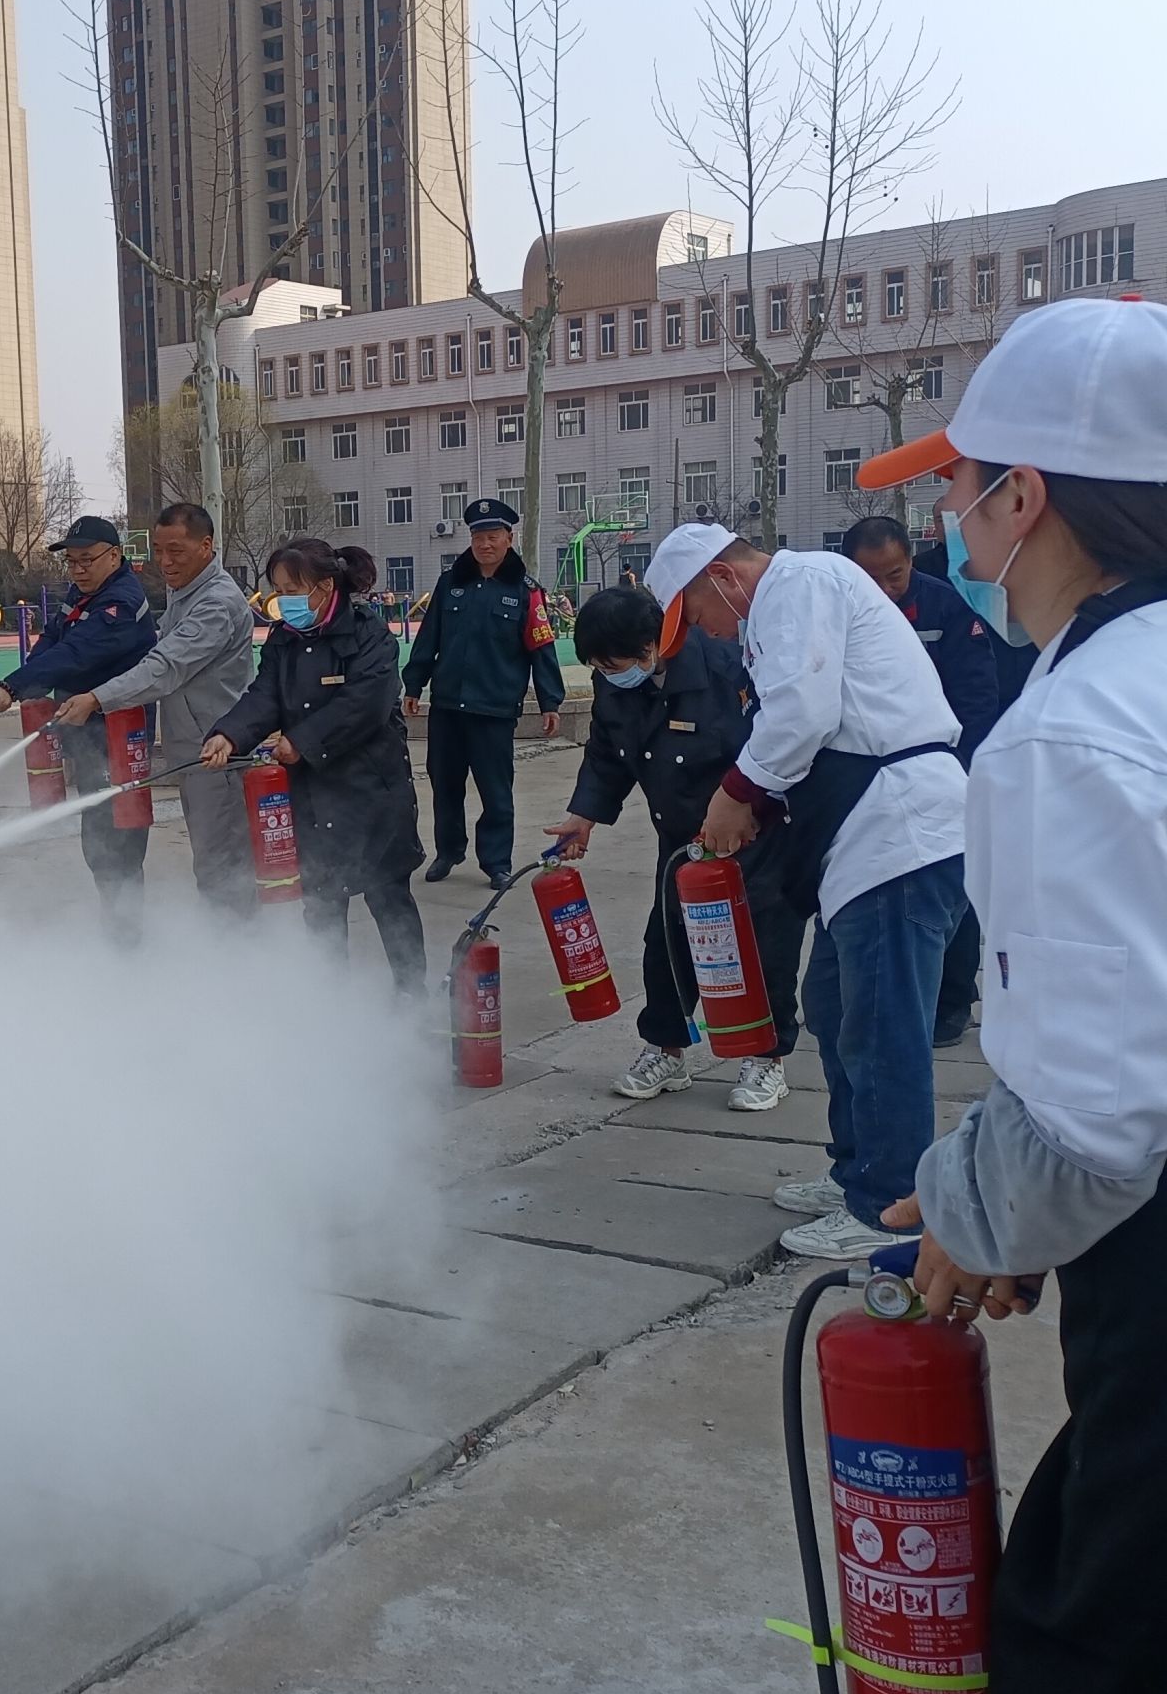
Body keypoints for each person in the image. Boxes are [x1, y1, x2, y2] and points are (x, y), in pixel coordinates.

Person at [856, 297, 1167, 1694]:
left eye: (960, 484)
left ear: (1025, 495)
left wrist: (969, 1213)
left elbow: (1103, 1123)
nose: (951, 520)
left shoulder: (1078, 729)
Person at [652, 519, 967, 1260]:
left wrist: (736, 794)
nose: (708, 634)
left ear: (721, 579)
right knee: (832, 1005)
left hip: (899, 833)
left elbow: (803, 713)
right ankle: (857, 1169)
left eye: (698, 616)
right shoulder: (778, 607)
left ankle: (888, 1204)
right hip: (861, 843)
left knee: (881, 1024)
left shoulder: (800, 582)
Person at [551, 584, 801, 1113]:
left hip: (752, 834)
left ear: (650, 647)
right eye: (598, 667)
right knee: (666, 944)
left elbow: (778, 743)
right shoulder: (615, 681)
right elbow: (606, 752)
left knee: (761, 947)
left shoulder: (726, 670)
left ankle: (767, 1057)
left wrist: (748, 807)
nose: (606, 674)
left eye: (612, 664)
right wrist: (584, 814)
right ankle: (666, 1050)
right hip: (680, 840)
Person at [200, 539, 425, 991]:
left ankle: (412, 996)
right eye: (278, 591)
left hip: (372, 790)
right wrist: (230, 733)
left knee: (388, 896)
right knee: (321, 901)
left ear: (325, 587)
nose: (284, 601)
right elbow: (265, 694)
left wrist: (302, 741)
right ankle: (330, 997)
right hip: (312, 794)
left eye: (293, 590)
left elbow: (365, 704)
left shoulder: (368, 634)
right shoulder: (285, 638)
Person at [54, 501, 255, 915]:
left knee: (222, 867)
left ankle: (241, 945)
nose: (165, 562)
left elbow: (165, 668)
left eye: (176, 551)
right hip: (194, 753)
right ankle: (229, 940)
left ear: (206, 546)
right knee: (214, 863)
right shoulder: (185, 592)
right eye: (158, 551)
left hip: (217, 756)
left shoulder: (216, 603)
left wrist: (97, 698)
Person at [844, 513, 999, 1045]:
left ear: (910, 561)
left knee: (952, 890)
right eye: (871, 579)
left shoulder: (944, 607)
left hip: (944, 771)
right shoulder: (841, 611)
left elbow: (976, 698)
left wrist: (960, 771)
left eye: (895, 575)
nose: (886, 589)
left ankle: (953, 1000)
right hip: (874, 778)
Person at [0, 516, 157, 926]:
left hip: (119, 740)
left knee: (119, 838)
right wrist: (24, 682)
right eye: (71, 562)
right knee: (98, 835)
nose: (77, 569)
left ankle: (127, 935)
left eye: (86, 560)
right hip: (90, 735)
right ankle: (117, 925)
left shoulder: (120, 604)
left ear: (115, 556)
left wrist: (13, 685)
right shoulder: (84, 594)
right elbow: (53, 638)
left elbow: (75, 653)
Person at [402, 497, 565, 887]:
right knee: (445, 785)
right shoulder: (450, 583)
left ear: (509, 538)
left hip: (494, 708)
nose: (485, 544)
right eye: (478, 537)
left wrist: (550, 701)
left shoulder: (526, 591)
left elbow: (541, 647)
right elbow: (428, 637)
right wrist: (414, 684)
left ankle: (496, 862)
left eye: (493, 536)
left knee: (496, 792)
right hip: (447, 706)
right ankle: (448, 851)